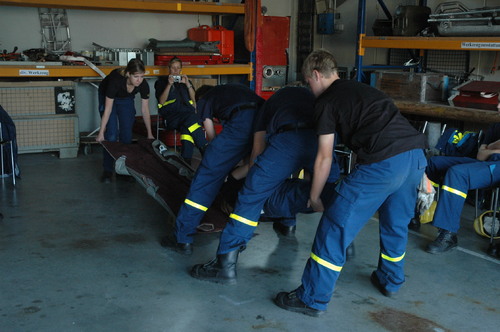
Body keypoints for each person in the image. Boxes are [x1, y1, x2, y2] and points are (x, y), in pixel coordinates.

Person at [274, 49, 428, 317]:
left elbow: (323, 157)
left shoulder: (327, 102)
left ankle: (312, 298)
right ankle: (390, 281)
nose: (309, 89)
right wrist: (423, 175)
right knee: (396, 224)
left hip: (383, 165)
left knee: (334, 227)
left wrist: (314, 196)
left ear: (316, 74)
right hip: (414, 159)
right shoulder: (363, 90)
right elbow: (389, 131)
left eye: (308, 83)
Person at [190, 86, 340, 284]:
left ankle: (225, 264)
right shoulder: (313, 99)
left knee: (251, 197)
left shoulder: (269, 105)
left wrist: (239, 176)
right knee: (331, 192)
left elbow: (257, 153)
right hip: (320, 142)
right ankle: (290, 225)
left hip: (287, 139)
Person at [160, 83, 264, 255]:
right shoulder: (235, 92)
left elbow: (211, 134)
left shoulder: (205, 99)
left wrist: (215, 157)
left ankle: (182, 239)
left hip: (240, 123)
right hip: (263, 123)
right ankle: (239, 238)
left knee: (205, 180)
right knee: (251, 177)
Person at [425, 122, 500, 254]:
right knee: (434, 163)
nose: (498, 106)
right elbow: (480, 156)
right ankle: (417, 211)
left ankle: (448, 234)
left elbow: (485, 151)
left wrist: (490, 148)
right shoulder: (495, 126)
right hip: (486, 163)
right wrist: (495, 148)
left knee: (457, 173)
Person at [96, 58, 154, 183]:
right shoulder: (115, 81)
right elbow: (108, 109)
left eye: (142, 76)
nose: (139, 80)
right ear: (128, 74)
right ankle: (107, 170)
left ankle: (122, 169)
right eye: (136, 76)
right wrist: (101, 133)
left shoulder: (143, 84)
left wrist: (150, 133)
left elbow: (145, 110)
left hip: (126, 98)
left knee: (126, 135)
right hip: (108, 97)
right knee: (111, 135)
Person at [154, 57, 207, 165]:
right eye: (173, 68)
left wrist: (188, 84)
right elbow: (161, 101)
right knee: (192, 120)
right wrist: (169, 85)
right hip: (171, 117)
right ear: (169, 69)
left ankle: (186, 160)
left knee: (187, 128)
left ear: (181, 70)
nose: (175, 70)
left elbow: (194, 99)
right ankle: (205, 149)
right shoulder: (161, 83)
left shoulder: (186, 82)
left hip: (187, 116)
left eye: (178, 68)